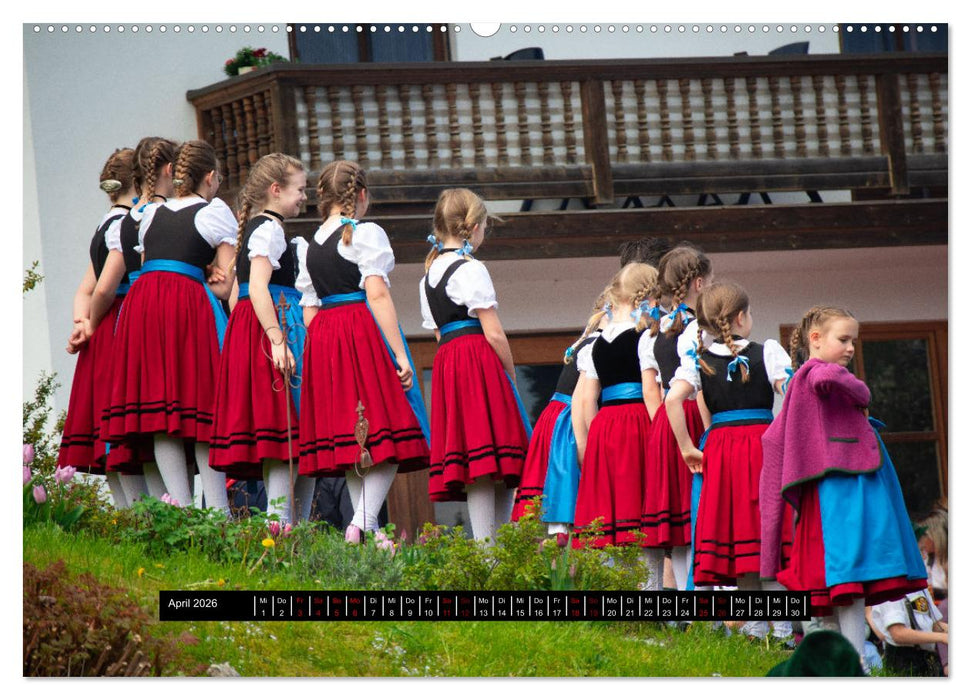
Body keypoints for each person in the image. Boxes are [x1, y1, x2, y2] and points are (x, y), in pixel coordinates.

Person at [759, 305, 928, 659]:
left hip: (847, 484)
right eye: (843, 339)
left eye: (854, 340)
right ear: (815, 339)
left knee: (848, 579)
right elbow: (824, 380)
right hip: (844, 487)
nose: (851, 348)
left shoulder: (810, 377)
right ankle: (853, 662)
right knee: (849, 573)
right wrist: (855, 387)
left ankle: (845, 659)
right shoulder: (815, 373)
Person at [296, 160, 430, 543]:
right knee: (390, 435)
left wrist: (328, 344)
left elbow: (309, 309)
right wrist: (400, 355)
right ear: (361, 195)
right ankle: (363, 523)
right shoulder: (363, 233)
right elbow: (377, 293)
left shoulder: (313, 243)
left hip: (324, 338)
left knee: (356, 443)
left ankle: (364, 531)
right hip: (359, 330)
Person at [102, 140, 236, 515]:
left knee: (162, 411)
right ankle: (217, 513)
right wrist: (209, 272)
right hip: (185, 304)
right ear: (209, 178)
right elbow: (225, 284)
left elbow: (149, 260)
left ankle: (181, 508)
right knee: (201, 406)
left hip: (144, 304)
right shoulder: (213, 213)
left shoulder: (151, 214)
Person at [665, 282, 792, 639]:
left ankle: (754, 630)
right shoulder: (767, 351)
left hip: (721, 451)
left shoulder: (697, 359)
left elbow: (673, 401)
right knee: (767, 536)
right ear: (741, 317)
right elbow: (791, 391)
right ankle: (780, 632)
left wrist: (687, 447)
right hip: (761, 447)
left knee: (741, 541)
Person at [209, 153, 316, 525]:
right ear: (276, 190)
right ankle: (280, 525)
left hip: (250, 332)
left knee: (288, 438)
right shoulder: (269, 229)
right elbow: (256, 288)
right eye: (299, 189)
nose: (304, 196)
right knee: (282, 435)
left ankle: (290, 525)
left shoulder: (254, 230)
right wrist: (276, 339)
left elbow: (237, 296)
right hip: (271, 329)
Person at [420, 188, 531, 543]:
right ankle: (489, 549)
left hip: (449, 362)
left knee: (480, 459)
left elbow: (439, 333)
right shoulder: (471, 268)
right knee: (486, 459)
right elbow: (494, 333)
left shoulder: (428, 275)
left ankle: (492, 546)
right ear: (475, 227)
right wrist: (509, 376)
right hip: (477, 361)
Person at [58, 148, 139, 508]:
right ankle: (139, 515)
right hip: (119, 321)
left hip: (100, 327)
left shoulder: (103, 223)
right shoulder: (125, 225)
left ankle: (125, 514)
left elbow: (84, 290)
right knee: (120, 425)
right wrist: (92, 320)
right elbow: (105, 287)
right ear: (138, 182)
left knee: (107, 425)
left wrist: (83, 323)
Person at [571, 264, 662, 580]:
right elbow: (651, 391)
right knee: (642, 512)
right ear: (646, 297)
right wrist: (661, 434)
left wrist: (590, 442)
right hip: (638, 423)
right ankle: (648, 595)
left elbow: (585, 399)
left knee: (608, 517)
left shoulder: (595, 342)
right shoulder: (646, 336)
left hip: (604, 427)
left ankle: (615, 595)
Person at [101, 136, 179, 497]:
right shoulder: (160, 216)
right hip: (162, 313)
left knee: (149, 415)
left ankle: (163, 508)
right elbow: (105, 285)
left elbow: (97, 287)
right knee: (164, 413)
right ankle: (179, 506)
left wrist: (85, 320)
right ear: (169, 170)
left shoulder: (125, 221)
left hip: (134, 316)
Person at [641, 244, 712, 590]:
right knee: (697, 513)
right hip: (693, 419)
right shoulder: (699, 328)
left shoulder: (654, 330)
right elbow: (699, 389)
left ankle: (689, 608)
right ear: (698, 283)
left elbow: (652, 390)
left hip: (665, 425)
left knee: (682, 523)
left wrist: (664, 428)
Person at [511, 288, 607, 544]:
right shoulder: (600, 343)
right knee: (565, 506)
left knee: (552, 506)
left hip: (554, 418)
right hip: (568, 423)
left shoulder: (585, 342)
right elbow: (585, 398)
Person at [869, 585, 947, 676]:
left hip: (927, 660)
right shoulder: (890, 586)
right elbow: (898, 634)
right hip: (903, 662)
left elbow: (933, 625)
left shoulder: (919, 585)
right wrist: (942, 637)